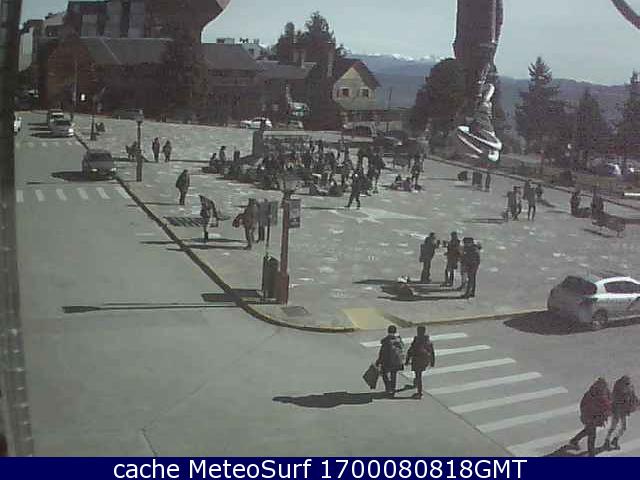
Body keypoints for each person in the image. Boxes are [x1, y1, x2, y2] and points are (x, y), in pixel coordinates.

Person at [568, 378, 612, 457]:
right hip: (590, 418)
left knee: (588, 431)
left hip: (597, 417)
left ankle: (574, 440)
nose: (603, 388)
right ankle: (591, 453)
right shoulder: (591, 395)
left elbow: (609, 402)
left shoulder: (605, 392)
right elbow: (584, 406)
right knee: (592, 435)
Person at [603, 375, 638, 451]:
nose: (627, 385)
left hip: (622, 411)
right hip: (616, 410)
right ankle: (607, 441)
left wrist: (634, 402)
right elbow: (615, 399)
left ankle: (614, 440)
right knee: (614, 426)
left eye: (628, 383)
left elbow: (633, 397)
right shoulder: (618, 389)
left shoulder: (629, 388)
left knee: (623, 427)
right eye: (626, 383)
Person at [405, 326, 435, 398]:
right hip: (425, 360)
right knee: (419, 374)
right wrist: (432, 362)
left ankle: (419, 393)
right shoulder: (428, 340)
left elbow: (410, 350)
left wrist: (407, 360)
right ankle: (416, 384)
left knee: (418, 376)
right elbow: (432, 352)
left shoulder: (416, 340)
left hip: (417, 360)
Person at [376, 325, 405, 397]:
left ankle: (388, 387)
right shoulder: (398, 339)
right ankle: (393, 389)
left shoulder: (386, 341)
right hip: (397, 361)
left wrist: (378, 361)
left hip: (388, 361)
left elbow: (382, 352)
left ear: (388, 331)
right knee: (393, 375)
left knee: (384, 373)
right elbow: (402, 348)